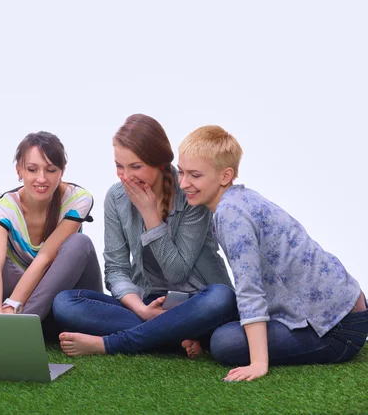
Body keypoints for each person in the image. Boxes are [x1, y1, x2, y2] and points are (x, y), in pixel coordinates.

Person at [177, 125, 368, 382]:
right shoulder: (240, 199)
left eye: (195, 175)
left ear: (225, 176)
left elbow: (249, 289)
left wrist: (258, 363)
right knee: (222, 325)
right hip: (342, 307)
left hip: (336, 329)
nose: (183, 183)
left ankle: (212, 341)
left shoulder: (231, 213)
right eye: (181, 172)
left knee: (224, 342)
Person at [53, 114, 237, 357]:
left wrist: (150, 215)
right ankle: (176, 336)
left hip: (198, 301)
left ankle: (114, 343)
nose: (125, 176)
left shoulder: (191, 191)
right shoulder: (116, 197)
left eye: (136, 166)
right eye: (119, 166)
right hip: (149, 301)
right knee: (66, 303)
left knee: (221, 297)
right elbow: (116, 269)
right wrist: (141, 309)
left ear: (160, 163)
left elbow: (177, 272)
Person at [0, 131, 103, 324]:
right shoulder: (5, 208)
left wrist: (12, 305)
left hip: (63, 289)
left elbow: (45, 258)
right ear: (19, 171)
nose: (42, 179)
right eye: (32, 169)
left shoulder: (78, 199)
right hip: (24, 292)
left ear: (62, 171)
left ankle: (21, 324)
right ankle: (10, 324)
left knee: (80, 242)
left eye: (51, 170)